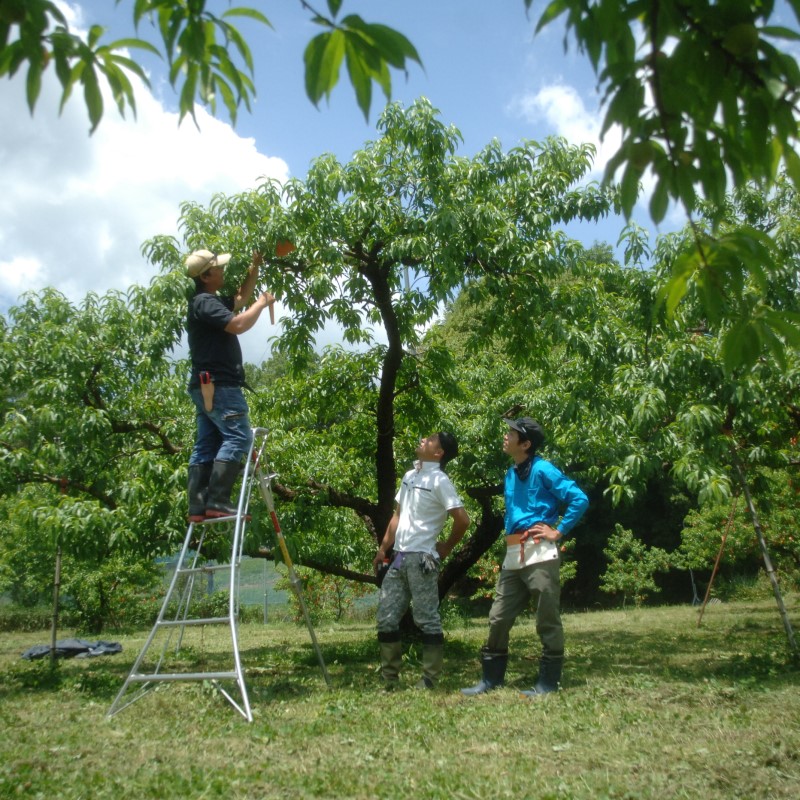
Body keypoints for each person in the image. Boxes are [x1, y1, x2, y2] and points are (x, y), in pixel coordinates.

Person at [461, 417, 588, 697]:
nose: (505, 436)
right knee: (497, 617)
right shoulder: (509, 473)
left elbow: (579, 498)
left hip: (540, 552)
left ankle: (547, 683)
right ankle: (490, 679)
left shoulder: (543, 469)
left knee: (546, 617)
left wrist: (559, 530)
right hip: (512, 554)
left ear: (526, 443)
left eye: (511, 433)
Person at [374, 432, 470, 690]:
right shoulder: (409, 476)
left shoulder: (440, 480)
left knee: (426, 618)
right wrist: (383, 549)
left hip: (422, 558)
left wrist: (447, 546)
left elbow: (462, 519)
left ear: (439, 453)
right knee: (386, 616)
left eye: (429, 440)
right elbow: (397, 515)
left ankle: (429, 678)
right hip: (399, 557)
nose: (422, 441)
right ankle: (390, 679)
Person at [184, 248, 275, 521]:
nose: (223, 271)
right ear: (206, 275)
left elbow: (238, 299)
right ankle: (218, 502)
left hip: (206, 386)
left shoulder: (206, 302)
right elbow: (237, 324)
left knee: (206, 443)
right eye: (219, 268)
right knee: (238, 437)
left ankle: (198, 506)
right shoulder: (205, 302)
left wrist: (254, 268)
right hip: (220, 386)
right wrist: (260, 304)